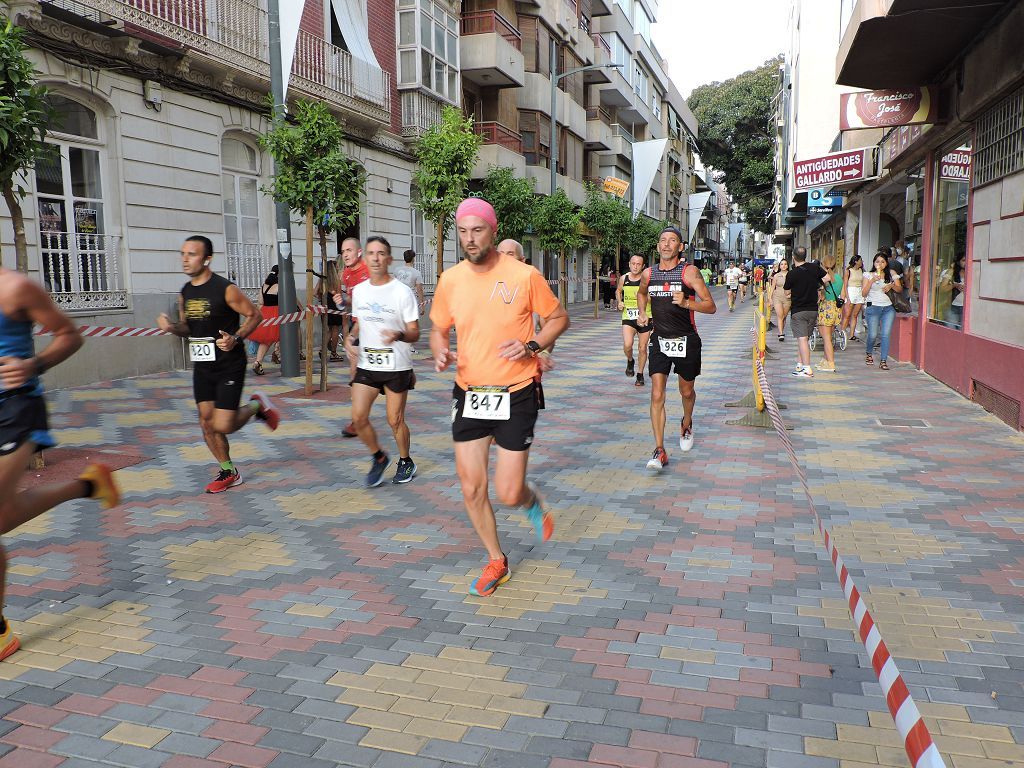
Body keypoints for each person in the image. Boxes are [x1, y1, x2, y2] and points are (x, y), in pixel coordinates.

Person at [430, 198, 569, 597]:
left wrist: (532, 345)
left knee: (508, 492)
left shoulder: (524, 275)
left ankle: (530, 502)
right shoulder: (450, 280)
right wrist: (440, 348)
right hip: (471, 394)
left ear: (492, 230)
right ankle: (496, 559)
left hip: (516, 393)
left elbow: (559, 318)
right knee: (471, 487)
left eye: (477, 230)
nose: (469, 239)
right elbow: (439, 327)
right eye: (462, 231)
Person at [1, 266, 121, 663]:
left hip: (15, 408)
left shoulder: (17, 288)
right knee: (4, 516)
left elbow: (70, 335)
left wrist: (32, 366)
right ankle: (88, 485)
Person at [157, 236, 280, 492]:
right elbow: (187, 328)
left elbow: (254, 315)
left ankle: (257, 405)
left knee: (223, 424)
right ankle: (229, 471)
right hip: (203, 366)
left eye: (191, 254)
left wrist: (235, 339)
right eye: (183, 253)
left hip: (228, 364)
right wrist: (171, 327)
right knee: (206, 422)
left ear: (207, 258)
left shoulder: (226, 289)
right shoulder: (186, 292)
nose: (185, 259)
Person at [340, 237, 421, 487]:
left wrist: (398, 335)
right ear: (365, 259)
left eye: (381, 253)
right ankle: (378, 457)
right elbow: (360, 322)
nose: (375, 258)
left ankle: (405, 460)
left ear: (389, 259)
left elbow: (414, 332)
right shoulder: (361, 291)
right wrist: (351, 338)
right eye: (372, 253)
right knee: (359, 417)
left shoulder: (402, 292)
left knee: (394, 420)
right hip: (368, 364)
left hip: (396, 365)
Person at [636, 226, 716, 470]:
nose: (666, 244)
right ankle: (659, 450)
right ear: (658, 246)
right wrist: (642, 313)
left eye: (672, 241)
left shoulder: (689, 272)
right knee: (657, 393)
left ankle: (687, 421)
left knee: (687, 391)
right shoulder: (649, 274)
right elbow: (641, 293)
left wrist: (687, 302)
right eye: (663, 240)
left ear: (681, 247)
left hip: (686, 340)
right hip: (660, 339)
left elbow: (711, 306)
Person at [784, 246, 832, 379]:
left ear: (793, 257)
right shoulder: (814, 268)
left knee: (802, 339)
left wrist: (795, 290)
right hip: (813, 309)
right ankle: (799, 365)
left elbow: (787, 292)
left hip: (799, 310)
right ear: (805, 256)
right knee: (804, 339)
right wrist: (816, 284)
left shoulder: (792, 274)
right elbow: (828, 278)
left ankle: (807, 369)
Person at [340, 238, 370, 437]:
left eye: (349, 250)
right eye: (343, 251)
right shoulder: (346, 274)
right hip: (358, 325)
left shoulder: (368, 272)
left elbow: (368, 308)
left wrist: (351, 335)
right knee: (355, 376)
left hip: (373, 326)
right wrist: (344, 300)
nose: (346, 254)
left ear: (359, 252)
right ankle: (357, 421)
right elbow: (355, 301)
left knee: (371, 377)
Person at [615, 254, 653, 387]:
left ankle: (640, 374)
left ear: (643, 266)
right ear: (629, 264)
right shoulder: (623, 278)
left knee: (642, 348)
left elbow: (652, 298)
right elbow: (618, 291)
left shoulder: (647, 280)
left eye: (638, 264)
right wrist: (620, 302)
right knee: (627, 345)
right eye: (633, 263)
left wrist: (646, 297)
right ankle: (630, 360)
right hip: (628, 317)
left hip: (645, 317)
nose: (635, 266)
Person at [861, 250, 902, 370]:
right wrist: (872, 281)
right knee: (873, 334)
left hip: (888, 308)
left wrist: (892, 285)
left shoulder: (891, 273)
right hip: (873, 307)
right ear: (874, 263)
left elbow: (899, 289)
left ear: (886, 263)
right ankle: (869, 353)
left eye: (883, 261)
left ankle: (883, 361)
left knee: (885, 335)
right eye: (877, 261)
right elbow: (863, 293)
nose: (880, 264)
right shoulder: (868, 275)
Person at [248, 265, 280, 375]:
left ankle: (258, 362)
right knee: (284, 335)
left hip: (265, 313)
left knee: (266, 340)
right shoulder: (280, 286)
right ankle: (277, 353)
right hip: (278, 313)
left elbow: (260, 303)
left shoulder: (263, 287)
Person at [815, 254, 843, 373]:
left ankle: (831, 363)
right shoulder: (839, 278)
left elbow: (820, 297)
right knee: (829, 338)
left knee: (826, 338)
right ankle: (826, 360)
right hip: (836, 309)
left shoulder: (823, 279)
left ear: (822, 265)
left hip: (825, 308)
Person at [316, 260, 345, 362]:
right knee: (335, 329)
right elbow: (339, 294)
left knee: (328, 329)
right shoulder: (336, 280)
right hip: (334, 305)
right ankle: (333, 353)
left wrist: (322, 296)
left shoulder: (322, 279)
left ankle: (322, 349)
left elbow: (315, 293)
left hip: (325, 304)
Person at [392, 249, 426, 316]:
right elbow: (419, 290)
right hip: (410, 301)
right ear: (413, 259)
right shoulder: (417, 273)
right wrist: (422, 306)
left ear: (404, 258)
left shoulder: (396, 270)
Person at [840, 254, 865, 342]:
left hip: (859, 292)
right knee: (847, 315)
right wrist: (847, 297)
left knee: (855, 315)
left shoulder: (861, 270)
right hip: (851, 291)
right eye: (860, 260)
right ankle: (842, 333)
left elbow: (863, 283)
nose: (862, 262)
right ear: (856, 261)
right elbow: (845, 284)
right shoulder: (848, 271)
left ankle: (851, 334)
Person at [940, 254, 966, 328]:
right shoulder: (951, 272)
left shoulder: (972, 272)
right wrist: (955, 285)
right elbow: (942, 289)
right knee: (951, 330)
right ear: (958, 262)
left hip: (966, 307)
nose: (966, 262)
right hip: (952, 307)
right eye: (963, 260)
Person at [768, 260, 791, 341]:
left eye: (785, 264)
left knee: (784, 317)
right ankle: (780, 333)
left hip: (788, 299)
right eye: (782, 264)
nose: (783, 266)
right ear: (779, 266)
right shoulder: (776, 276)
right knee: (780, 315)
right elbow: (772, 287)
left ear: (787, 266)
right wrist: (770, 298)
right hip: (777, 297)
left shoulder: (791, 275)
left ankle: (781, 330)